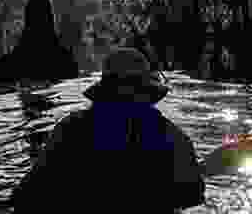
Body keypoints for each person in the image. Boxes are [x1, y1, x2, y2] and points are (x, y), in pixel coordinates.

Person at [13, 47, 205, 213]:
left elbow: (26, 197)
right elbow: (192, 197)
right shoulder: (173, 139)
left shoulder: (70, 130)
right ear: (148, 94)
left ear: (104, 93)